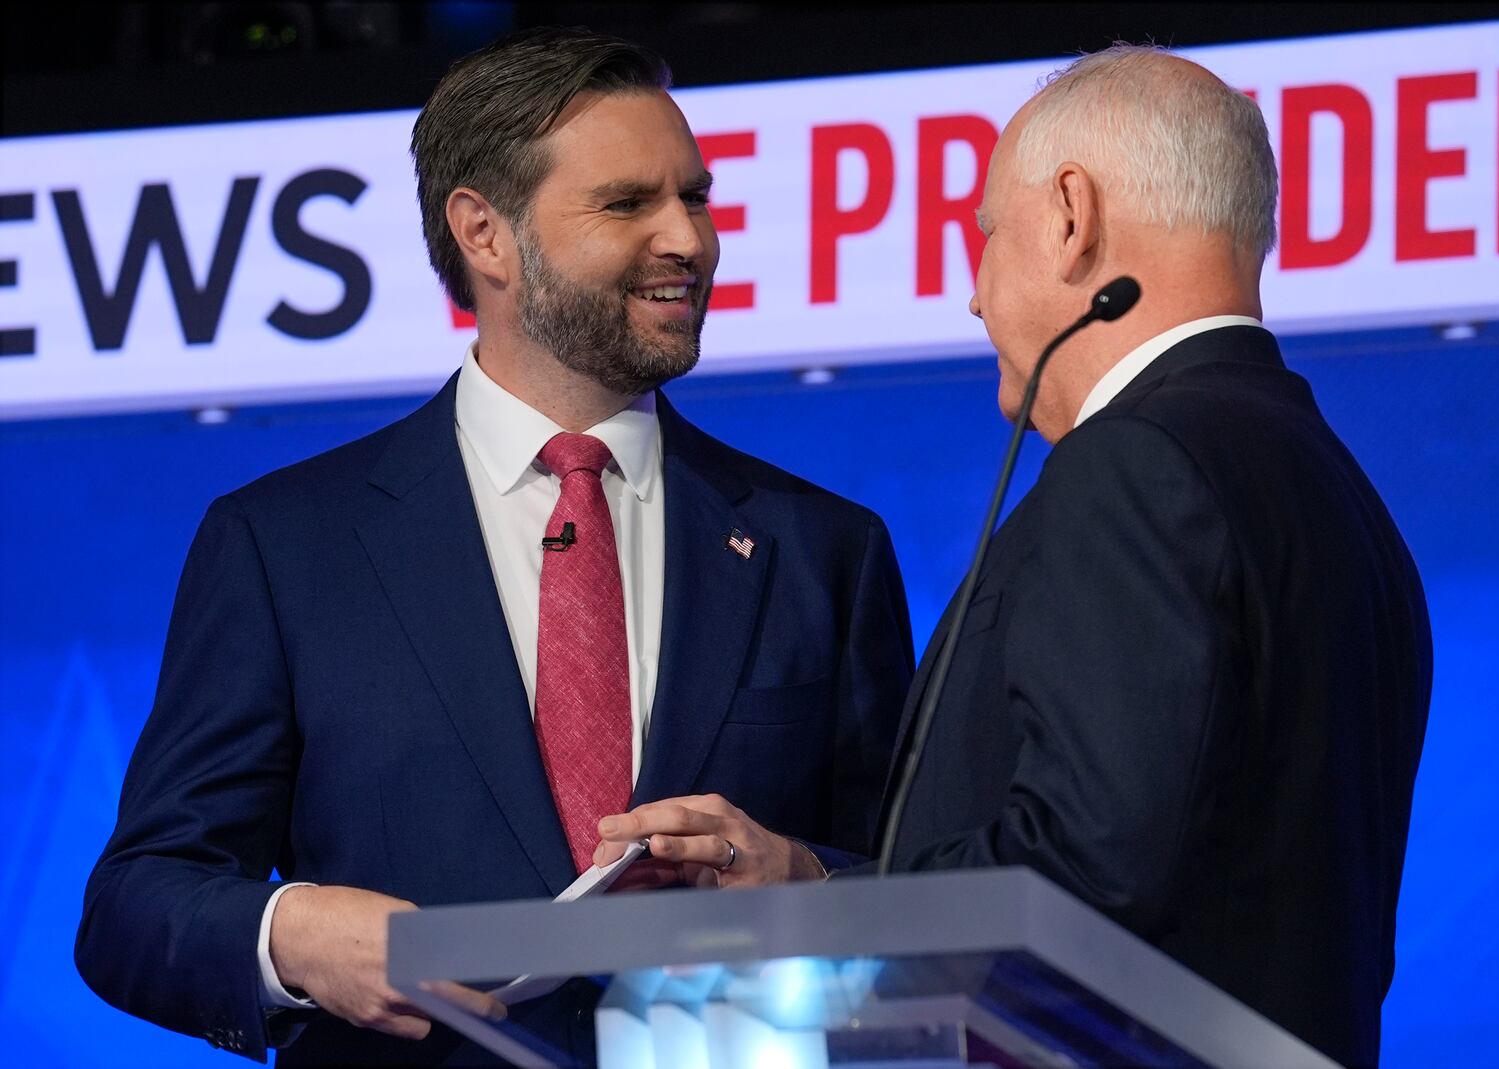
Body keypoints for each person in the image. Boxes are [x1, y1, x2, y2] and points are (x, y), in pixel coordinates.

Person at [75, 26, 913, 1067]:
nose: (688, 239)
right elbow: (137, 900)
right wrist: (291, 933)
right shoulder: (287, 545)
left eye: (693, 198)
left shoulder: (823, 548)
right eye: (627, 204)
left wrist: (804, 878)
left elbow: (918, 889)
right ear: (484, 233)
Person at [596, 44, 1431, 1068]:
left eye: (986, 234)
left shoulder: (1134, 466)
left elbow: (1081, 874)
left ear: (1071, 216)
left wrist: (817, 927)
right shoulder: (1329, 484)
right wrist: (814, 885)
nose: (976, 298)